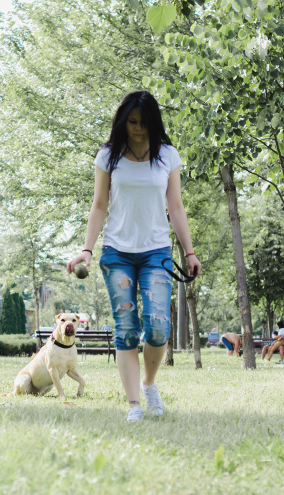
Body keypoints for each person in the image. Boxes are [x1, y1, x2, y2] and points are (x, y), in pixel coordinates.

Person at [67, 90, 201, 422]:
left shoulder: (167, 155)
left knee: (158, 327)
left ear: (153, 123)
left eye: (143, 123)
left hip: (156, 251)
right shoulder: (108, 156)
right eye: (132, 122)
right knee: (126, 328)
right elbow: (99, 206)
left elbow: (176, 206)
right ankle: (133, 405)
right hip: (117, 252)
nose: (138, 129)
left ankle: (149, 384)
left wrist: (189, 251)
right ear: (123, 121)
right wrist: (87, 247)